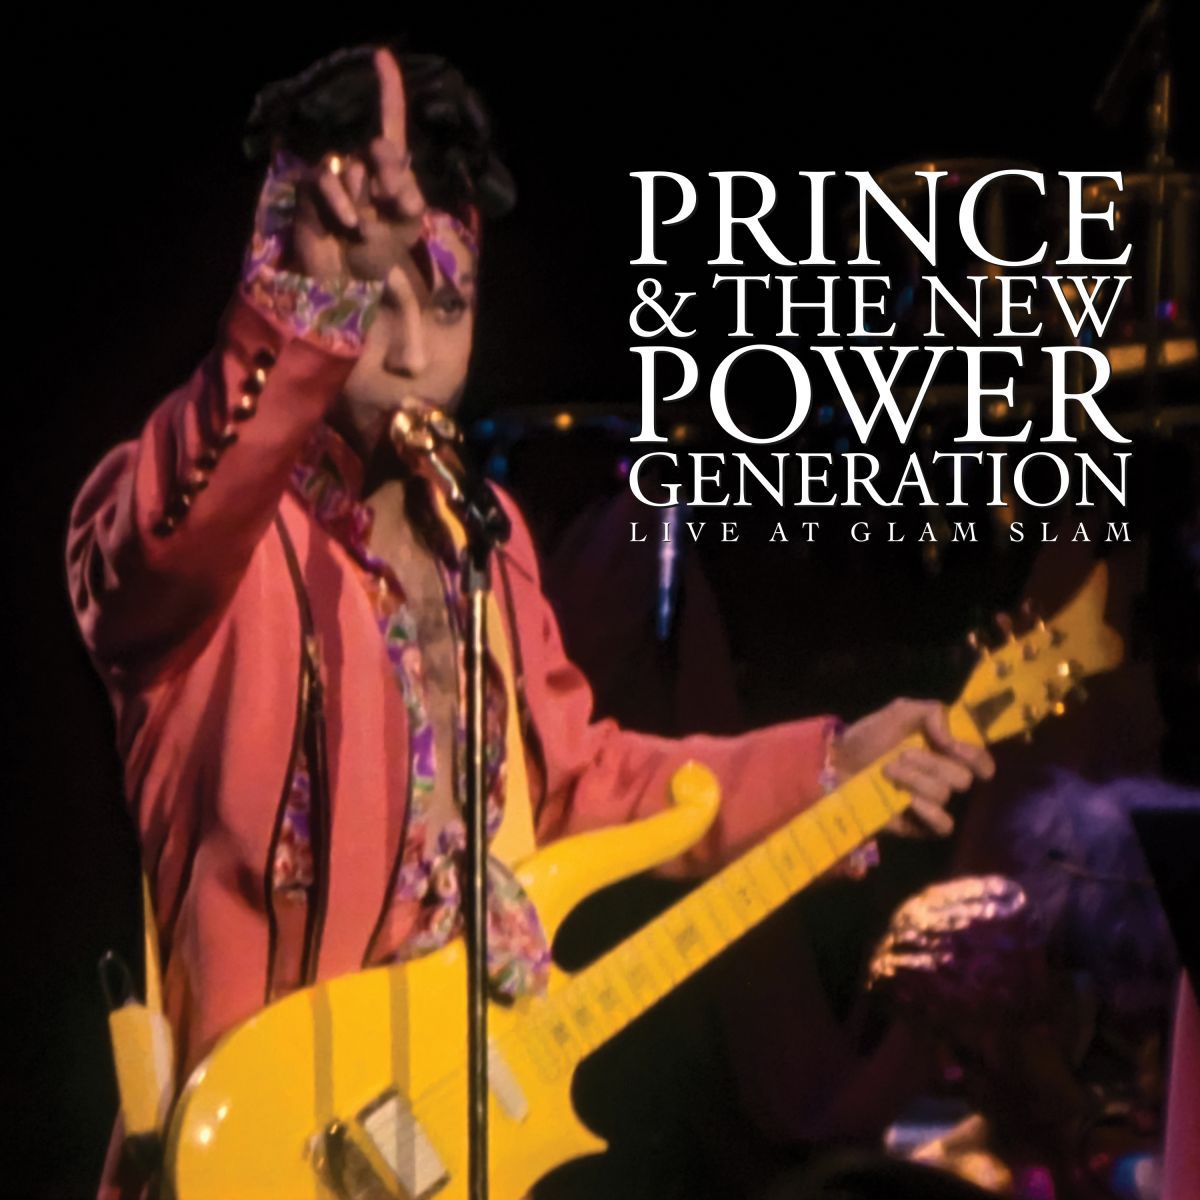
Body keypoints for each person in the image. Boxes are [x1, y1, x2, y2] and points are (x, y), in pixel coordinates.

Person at [65, 43, 995, 1199]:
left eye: (447, 307)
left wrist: (830, 769)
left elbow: (575, 783)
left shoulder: (481, 535)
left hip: (440, 1150)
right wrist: (300, 305)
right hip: (259, 1155)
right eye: (376, 307)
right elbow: (157, 537)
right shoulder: (199, 535)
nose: (413, 354)